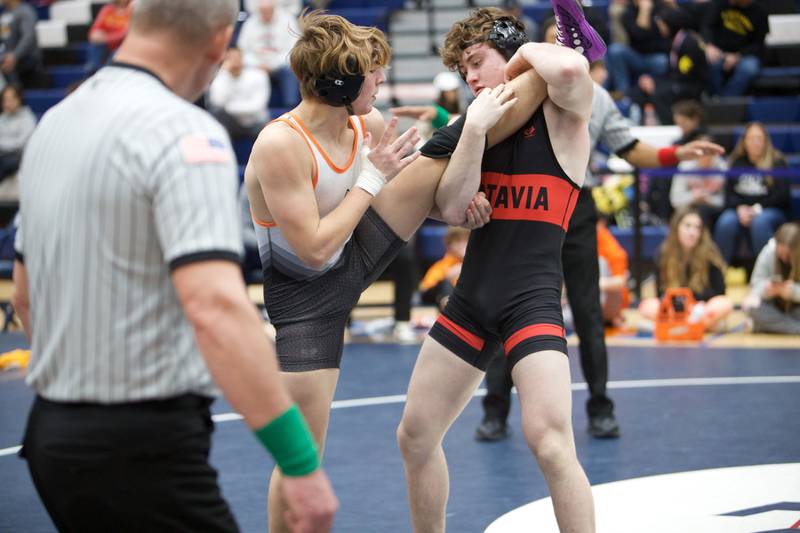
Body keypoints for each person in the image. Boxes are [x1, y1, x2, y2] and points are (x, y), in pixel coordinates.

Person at [12, 1, 338, 532]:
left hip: (52, 435)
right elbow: (215, 310)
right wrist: (300, 464)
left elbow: (25, 296)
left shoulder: (54, 123)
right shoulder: (185, 133)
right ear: (217, 42)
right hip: (142, 443)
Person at [244, 10, 549, 532]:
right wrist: (371, 176)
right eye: (372, 72)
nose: (382, 80)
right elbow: (315, 250)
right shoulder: (281, 144)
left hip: (357, 251)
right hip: (306, 301)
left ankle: (505, 99)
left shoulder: (368, 125)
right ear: (339, 81)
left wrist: (456, 208)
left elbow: (396, 196)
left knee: (438, 157)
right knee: (301, 460)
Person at [395, 6, 601, 531]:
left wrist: (521, 57)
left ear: (507, 54)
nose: (468, 78)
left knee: (551, 445)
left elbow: (575, 71)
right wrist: (472, 136)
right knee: (415, 435)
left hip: (529, 302)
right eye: (462, 71)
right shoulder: (482, 125)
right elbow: (449, 205)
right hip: (471, 301)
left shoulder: (561, 109)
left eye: (476, 62)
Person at [474, 14, 725, 444]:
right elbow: (478, 144)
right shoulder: (509, 92)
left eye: (567, 46)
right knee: (506, 308)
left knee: (589, 311)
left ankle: (600, 406)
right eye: (552, 44)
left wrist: (677, 154)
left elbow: (630, 149)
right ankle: (495, 410)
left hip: (574, 207)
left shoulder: (595, 96)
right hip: (522, 207)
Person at [639, 208, 733, 330]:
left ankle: (678, 325)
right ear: (677, 228)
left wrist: (693, 304)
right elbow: (660, 294)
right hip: (674, 310)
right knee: (647, 306)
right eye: (687, 226)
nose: (692, 232)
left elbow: (720, 292)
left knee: (724, 304)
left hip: (700, 309)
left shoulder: (710, 255)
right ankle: (696, 326)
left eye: (697, 228)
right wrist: (678, 305)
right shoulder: (664, 255)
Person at [714, 122, 790, 266]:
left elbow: (782, 196)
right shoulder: (736, 162)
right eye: (751, 138)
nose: (755, 143)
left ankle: (768, 270)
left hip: (770, 210)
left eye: (759, 138)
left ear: (766, 141)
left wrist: (756, 209)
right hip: (741, 210)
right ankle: (720, 269)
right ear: (744, 142)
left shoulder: (777, 162)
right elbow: (729, 195)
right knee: (725, 222)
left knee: (759, 222)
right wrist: (740, 208)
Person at [238, 0, 300, 107]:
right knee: (243, 72)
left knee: (290, 72)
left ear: (274, 9)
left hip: (281, 65)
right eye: (263, 11)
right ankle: (255, 110)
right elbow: (242, 51)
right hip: (257, 66)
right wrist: (257, 65)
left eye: (268, 11)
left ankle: (290, 107)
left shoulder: (288, 20)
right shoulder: (250, 23)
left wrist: (272, 65)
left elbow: (294, 49)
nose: (265, 14)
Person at [744, 222, 800, 335]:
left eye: (788, 255)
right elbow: (755, 286)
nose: (784, 259)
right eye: (781, 255)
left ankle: (769, 326)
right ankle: (795, 328)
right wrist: (768, 288)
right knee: (752, 307)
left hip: (796, 308)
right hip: (774, 307)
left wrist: (793, 292)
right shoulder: (768, 252)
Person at [605, 0, 671, 97]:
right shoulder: (628, 11)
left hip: (656, 56)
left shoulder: (659, 8)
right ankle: (624, 95)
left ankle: (660, 94)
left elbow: (667, 34)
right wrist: (644, 11)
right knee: (615, 50)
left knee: (664, 61)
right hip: (636, 56)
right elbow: (639, 35)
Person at [702, 0, 767, 97]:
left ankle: (727, 101)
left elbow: (758, 44)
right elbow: (706, 27)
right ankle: (715, 98)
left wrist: (738, 56)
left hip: (745, 55)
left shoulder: (760, 11)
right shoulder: (719, 4)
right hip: (719, 51)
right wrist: (709, 45)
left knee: (749, 69)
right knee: (711, 62)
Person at [208, 46, 270, 139]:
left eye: (237, 57)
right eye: (230, 58)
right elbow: (217, 102)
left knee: (267, 128)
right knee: (216, 115)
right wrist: (224, 73)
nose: (235, 61)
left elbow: (257, 107)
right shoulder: (221, 76)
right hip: (232, 122)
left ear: (243, 58)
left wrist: (228, 107)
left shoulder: (258, 75)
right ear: (225, 60)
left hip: (255, 122)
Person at [670, 133, 726, 228]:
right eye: (701, 152)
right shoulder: (685, 166)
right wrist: (694, 197)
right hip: (689, 208)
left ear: (715, 153)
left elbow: (725, 200)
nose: (704, 156)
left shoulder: (722, 168)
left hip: (714, 211)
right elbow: (675, 199)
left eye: (708, 152)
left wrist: (710, 200)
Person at [419, 226, 469, 311]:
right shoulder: (443, 264)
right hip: (435, 295)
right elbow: (426, 288)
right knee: (445, 282)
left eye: (465, 240)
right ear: (449, 245)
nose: (462, 245)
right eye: (457, 241)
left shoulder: (476, 263)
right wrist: (449, 274)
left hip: (464, 298)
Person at [0, 0, 44, 88]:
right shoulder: (4, 13)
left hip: (27, 62)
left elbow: (28, 36)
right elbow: (4, 38)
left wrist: (15, 55)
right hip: (8, 59)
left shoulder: (25, 11)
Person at [0, 84, 36, 181]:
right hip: (3, 155)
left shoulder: (28, 118)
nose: (7, 104)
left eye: (10, 100)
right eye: (4, 100)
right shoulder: (2, 118)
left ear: (19, 99)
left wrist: (2, 145)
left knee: (7, 163)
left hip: (19, 157)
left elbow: (20, 144)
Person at [86, 0, 133, 72]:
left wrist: (106, 38)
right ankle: (93, 71)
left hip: (123, 46)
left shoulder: (133, 9)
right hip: (106, 45)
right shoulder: (107, 9)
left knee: (117, 52)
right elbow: (94, 31)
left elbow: (127, 33)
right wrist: (97, 35)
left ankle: (106, 73)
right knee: (96, 45)